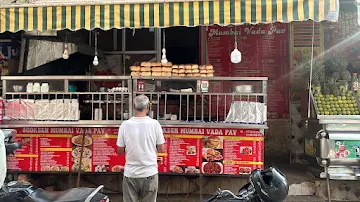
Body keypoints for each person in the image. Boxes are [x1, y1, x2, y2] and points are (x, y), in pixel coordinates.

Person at [117, 94, 165, 202]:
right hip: (150, 173)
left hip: (131, 174)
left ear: (134, 106)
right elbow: (162, 149)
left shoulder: (125, 125)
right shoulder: (155, 124)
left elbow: (119, 151)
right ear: (148, 107)